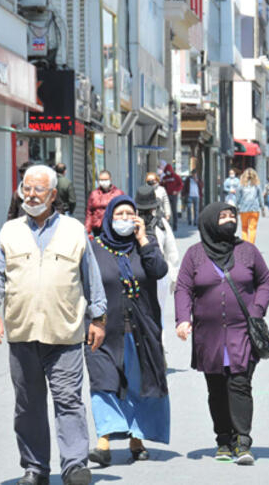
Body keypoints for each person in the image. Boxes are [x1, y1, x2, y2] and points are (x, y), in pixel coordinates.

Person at [0, 165, 107, 485]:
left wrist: (99, 318)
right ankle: (35, 468)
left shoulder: (74, 230)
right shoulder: (9, 230)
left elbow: (91, 277)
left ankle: (75, 465)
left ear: (53, 195)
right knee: (28, 404)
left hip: (64, 332)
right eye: (27, 188)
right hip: (22, 332)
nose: (31, 195)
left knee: (68, 400)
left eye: (39, 190)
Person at [174, 203, 269, 465]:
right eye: (223, 217)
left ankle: (242, 441)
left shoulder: (247, 251)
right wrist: (183, 319)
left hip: (242, 332)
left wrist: (257, 309)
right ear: (208, 222)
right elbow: (183, 288)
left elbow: (265, 281)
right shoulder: (194, 255)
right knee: (216, 389)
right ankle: (223, 440)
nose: (229, 220)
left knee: (240, 384)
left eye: (232, 216)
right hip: (209, 336)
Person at [83, 195, 170, 467]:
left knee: (137, 384)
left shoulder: (145, 245)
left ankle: (137, 438)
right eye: (118, 214)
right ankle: (103, 442)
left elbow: (159, 270)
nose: (124, 220)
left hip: (141, 329)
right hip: (103, 329)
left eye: (129, 215)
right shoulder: (93, 248)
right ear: (108, 218)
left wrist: (143, 239)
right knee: (103, 381)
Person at [86, 170, 124, 237]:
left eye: (106, 180)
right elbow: (89, 213)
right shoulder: (94, 194)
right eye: (101, 180)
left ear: (110, 179)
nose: (103, 182)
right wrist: (87, 230)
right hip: (97, 228)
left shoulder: (118, 193)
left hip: (113, 227)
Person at [235, 168, 266, 244]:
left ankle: (245, 244)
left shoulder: (241, 185)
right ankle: (251, 244)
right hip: (254, 209)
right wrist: (262, 208)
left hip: (244, 209)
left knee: (244, 228)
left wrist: (236, 207)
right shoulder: (257, 185)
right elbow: (260, 198)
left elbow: (238, 198)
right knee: (253, 228)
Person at [159, 161, 183, 231]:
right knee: (167, 211)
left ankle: (175, 225)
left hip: (173, 195)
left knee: (174, 210)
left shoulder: (176, 177)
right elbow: (161, 186)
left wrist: (177, 191)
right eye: (167, 171)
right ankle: (167, 225)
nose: (168, 172)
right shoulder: (165, 178)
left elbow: (180, 185)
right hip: (166, 196)